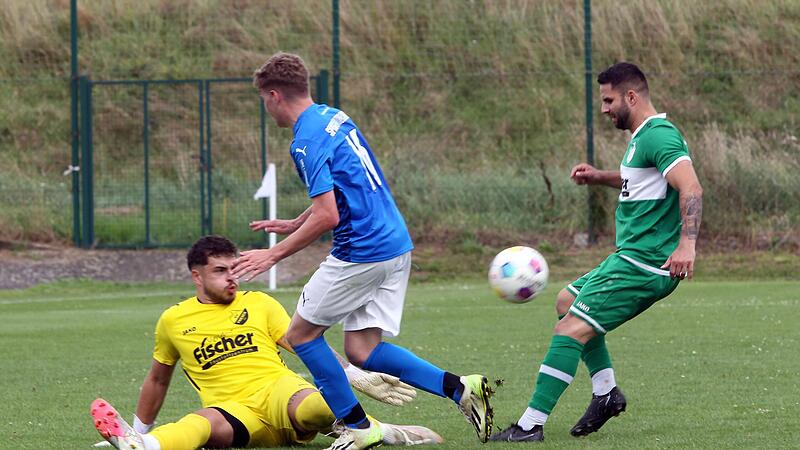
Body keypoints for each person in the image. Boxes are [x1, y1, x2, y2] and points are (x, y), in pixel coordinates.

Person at [232, 52, 493, 449]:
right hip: (394, 243)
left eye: (264, 101)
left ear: (273, 96)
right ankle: (460, 388)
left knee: (300, 335)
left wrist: (272, 255)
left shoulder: (304, 141)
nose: (266, 108)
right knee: (362, 350)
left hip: (362, 251)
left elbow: (329, 216)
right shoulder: (333, 117)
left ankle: (358, 427)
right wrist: (295, 223)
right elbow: (344, 188)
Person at [491, 62, 703, 442]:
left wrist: (687, 243)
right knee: (565, 301)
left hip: (644, 264)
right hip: (630, 257)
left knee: (569, 330)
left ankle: (529, 426)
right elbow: (639, 180)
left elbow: (690, 187)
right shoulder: (643, 137)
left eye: (608, 100)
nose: (604, 108)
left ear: (631, 97)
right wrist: (599, 177)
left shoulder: (659, 136)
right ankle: (606, 394)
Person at [91, 235, 444, 450]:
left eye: (234, 268)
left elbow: (305, 344)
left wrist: (354, 374)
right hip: (232, 410)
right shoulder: (173, 320)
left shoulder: (259, 303)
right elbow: (157, 379)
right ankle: (140, 444)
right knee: (198, 426)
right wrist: (139, 429)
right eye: (220, 271)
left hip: (280, 393)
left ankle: (372, 429)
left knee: (320, 407)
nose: (232, 277)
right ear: (196, 275)